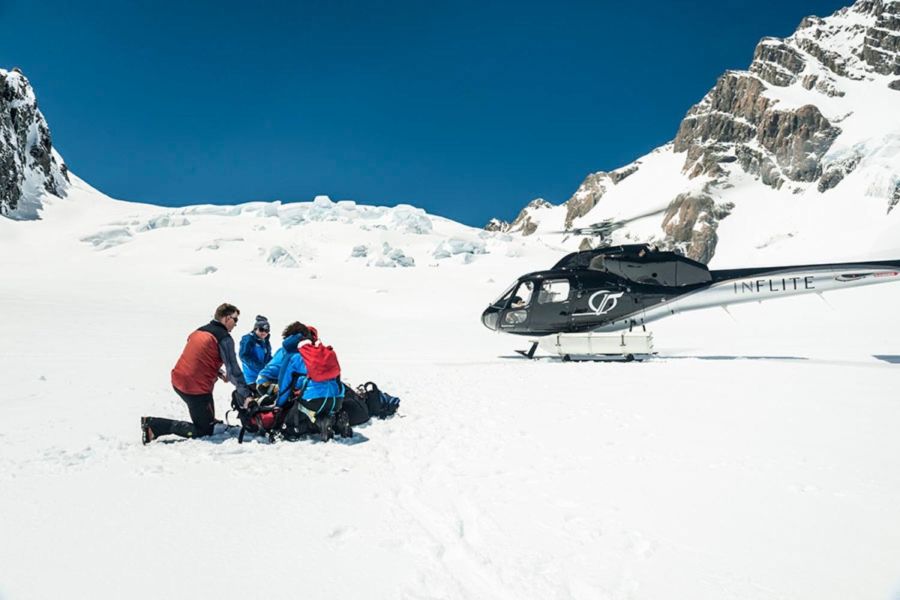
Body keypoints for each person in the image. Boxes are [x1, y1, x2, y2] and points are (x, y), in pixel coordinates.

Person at [141, 303, 252, 444]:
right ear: (226, 318)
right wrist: (246, 396)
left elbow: (199, 356)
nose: (236, 324)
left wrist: (218, 371)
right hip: (194, 389)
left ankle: (207, 418)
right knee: (204, 430)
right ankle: (154, 425)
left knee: (207, 412)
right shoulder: (224, 338)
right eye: (235, 319)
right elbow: (234, 371)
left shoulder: (199, 331)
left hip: (178, 379)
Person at [239, 315, 272, 396]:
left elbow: (268, 357)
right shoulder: (249, 339)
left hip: (263, 376)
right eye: (261, 329)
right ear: (255, 329)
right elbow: (243, 356)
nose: (264, 332)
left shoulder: (265, 341)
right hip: (252, 378)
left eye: (267, 330)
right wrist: (259, 366)